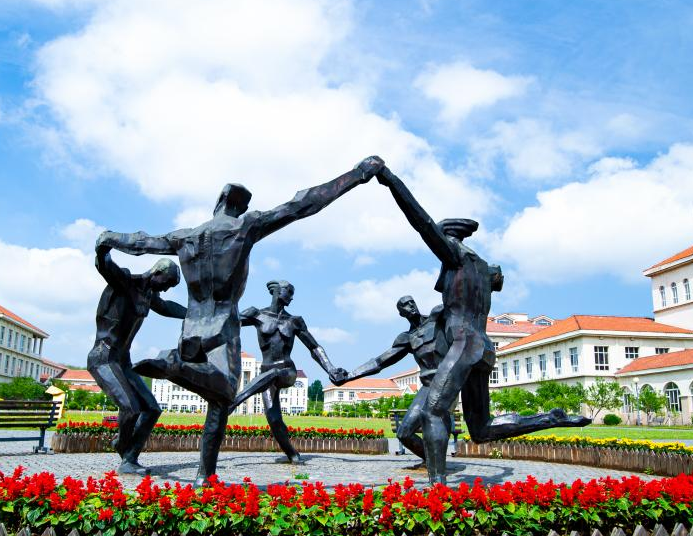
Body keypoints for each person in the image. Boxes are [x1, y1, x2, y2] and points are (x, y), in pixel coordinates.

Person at [96, 155, 384, 484]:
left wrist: (109, 238)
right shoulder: (245, 226)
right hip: (222, 326)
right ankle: (177, 374)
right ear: (239, 207)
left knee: (218, 399)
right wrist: (357, 175)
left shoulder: (184, 237)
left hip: (191, 328)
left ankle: (205, 473)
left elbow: (142, 242)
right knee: (223, 398)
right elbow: (301, 205)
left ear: (218, 202)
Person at [376, 167, 590, 484]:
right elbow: (495, 281)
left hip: (464, 343)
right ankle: (548, 418)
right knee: (481, 430)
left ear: (446, 237)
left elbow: (420, 222)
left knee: (433, 411)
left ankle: (437, 488)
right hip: (482, 348)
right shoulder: (482, 267)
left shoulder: (456, 255)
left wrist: (390, 180)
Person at [88, 250, 186, 473]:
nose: (166, 289)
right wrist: (103, 249)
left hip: (123, 361)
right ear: (157, 272)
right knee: (130, 408)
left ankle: (129, 458)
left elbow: (166, 307)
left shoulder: (148, 295)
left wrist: (193, 314)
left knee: (151, 409)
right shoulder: (125, 281)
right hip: (103, 358)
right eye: (167, 283)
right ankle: (123, 449)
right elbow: (104, 265)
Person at [230, 280, 345, 464]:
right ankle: (292, 454)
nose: (291, 297)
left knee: (274, 373)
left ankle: (235, 401)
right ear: (276, 291)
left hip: (286, 371)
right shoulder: (256, 314)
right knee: (274, 419)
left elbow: (314, 347)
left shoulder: (294, 321)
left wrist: (330, 368)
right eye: (289, 292)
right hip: (265, 374)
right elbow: (228, 323)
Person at [339, 295, 451, 462]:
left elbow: (459, 304)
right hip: (428, 386)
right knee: (404, 433)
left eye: (412, 302)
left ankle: (437, 465)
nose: (411, 306)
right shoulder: (407, 338)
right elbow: (379, 362)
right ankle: (432, 461)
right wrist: (348, 376)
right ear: (401, 313)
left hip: (449, 381)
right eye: (405, 305)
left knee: (435, 422)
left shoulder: (437, 317)